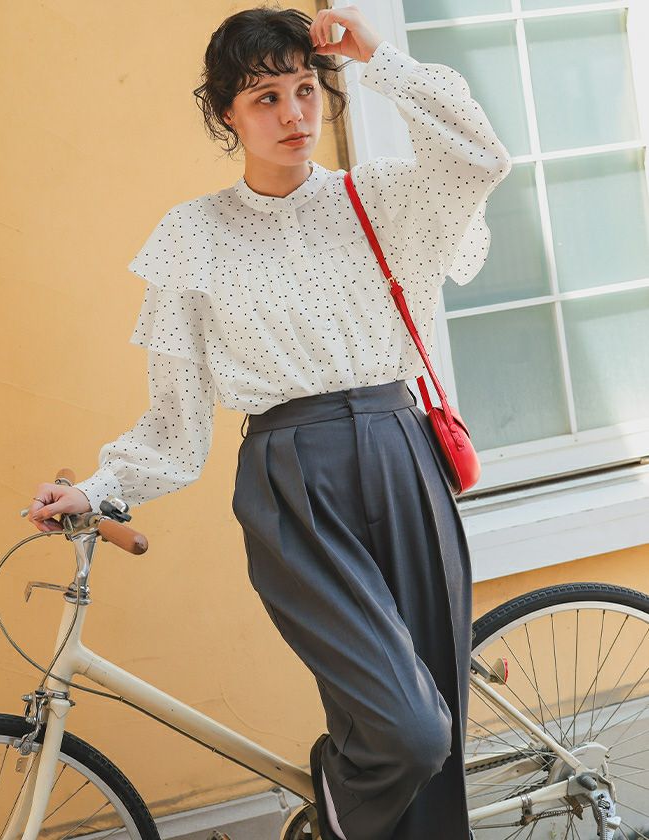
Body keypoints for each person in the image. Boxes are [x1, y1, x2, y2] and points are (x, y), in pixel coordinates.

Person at [28, 4, 511, 838]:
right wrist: (99, 489)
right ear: (227, 114)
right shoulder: (194, 237)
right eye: (265, 98)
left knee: (437, 739)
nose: (294, 114)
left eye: (305, 89)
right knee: (408, 730)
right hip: (292, 483)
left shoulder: (378, 199)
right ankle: (338, 798)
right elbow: (177, 421)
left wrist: (376, 56)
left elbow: (480, 156)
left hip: (403, 455)